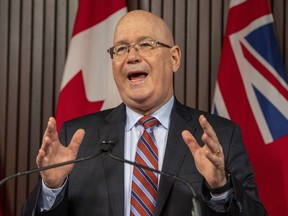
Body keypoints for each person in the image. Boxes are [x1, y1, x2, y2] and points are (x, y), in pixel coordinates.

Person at [21, 10, 267, 216]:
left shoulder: (221, 135)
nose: (131, 57)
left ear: (174, 58)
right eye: (121, 49)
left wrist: (220, 188)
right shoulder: (77, 137)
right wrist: (51, 188)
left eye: (146, 44)